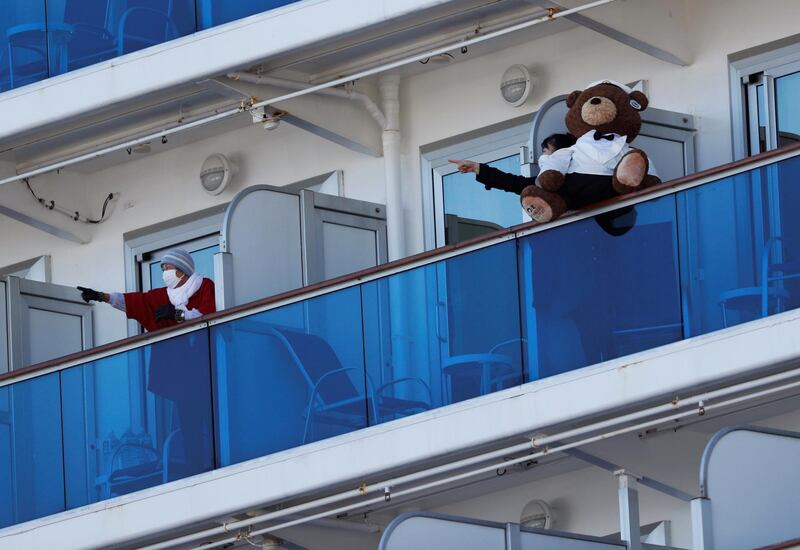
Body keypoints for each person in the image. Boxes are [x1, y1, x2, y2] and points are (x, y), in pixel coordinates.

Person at [78, 248, 216, 480]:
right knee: (187, 421)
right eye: (162, 269)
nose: (164, 273)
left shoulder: (204, 286)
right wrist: (100, 296)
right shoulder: (161, 295)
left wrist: (178, 314)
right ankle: (193, 469)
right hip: (178, 371)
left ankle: (213, 464)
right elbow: (133, 301)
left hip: (204, 366)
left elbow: (208, 315)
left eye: (167, 268)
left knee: (210, 419)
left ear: (181, 270)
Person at [448, 133, 577, 197]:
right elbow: (512, 182)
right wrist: (477, 168)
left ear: (559, 152)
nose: (541, 158)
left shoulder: (580, 175)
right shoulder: (540, 184)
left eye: (545, 151)